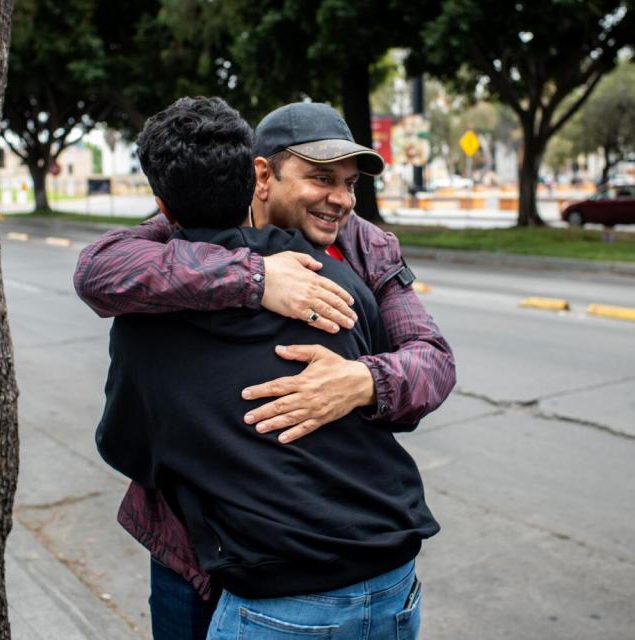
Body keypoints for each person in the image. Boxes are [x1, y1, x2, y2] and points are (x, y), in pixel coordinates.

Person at [75, 101, 456, 638]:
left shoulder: (366, 248)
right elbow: (100, 271)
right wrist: (255, 278)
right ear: (261, 174)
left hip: (312, 557)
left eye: (350, 184)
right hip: (194, 555)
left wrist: (364, 381)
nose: (341, 200)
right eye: (321, 179)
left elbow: (432, 358)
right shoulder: (183, 226)